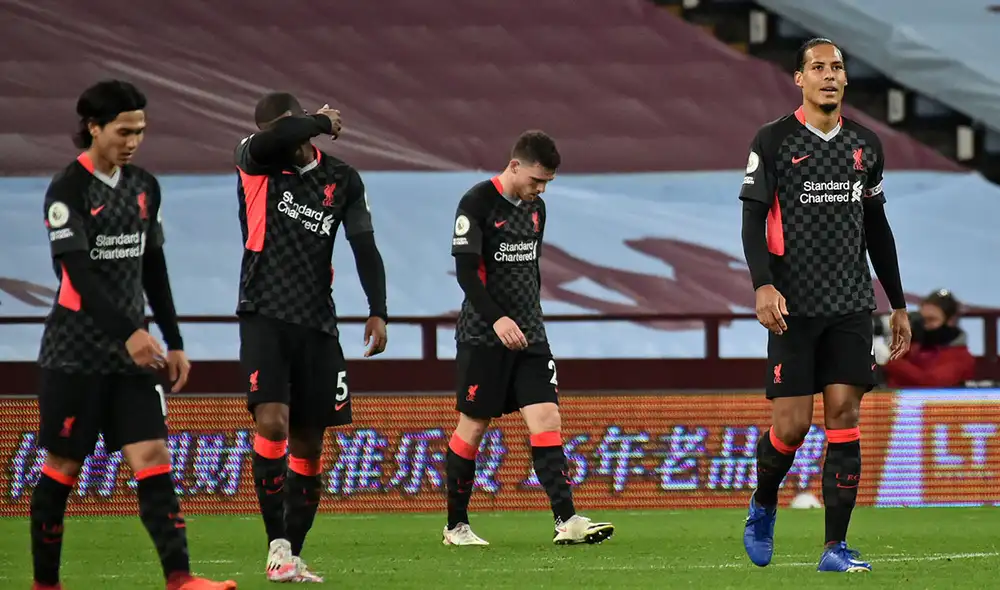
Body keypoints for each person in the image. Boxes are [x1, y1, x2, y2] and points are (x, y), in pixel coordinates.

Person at [32, 80, 235, 590]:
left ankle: (180, 578)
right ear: (94, 128)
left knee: (153, 458)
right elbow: (76, 272)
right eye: (124, 131)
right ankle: (45, 584)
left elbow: (154, 267)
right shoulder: (67, 190)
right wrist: (129, 331)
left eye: (140, 131)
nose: (134, 141)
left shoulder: (145, 185)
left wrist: (174, 338)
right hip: (75, 355)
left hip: (133, 359)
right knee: (62, 466)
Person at [738, 38, 912, 573]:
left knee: (844, 415)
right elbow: (751, 220)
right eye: (818, 68)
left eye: (837, 67)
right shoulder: (773, 141)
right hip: (794, 307)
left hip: (851, 305)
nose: (830, 76)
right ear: (799, 79)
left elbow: (877, 228)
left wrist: (898, 303)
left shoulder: (865, 144)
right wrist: (763, 286)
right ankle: (764, 502)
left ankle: (834, 547)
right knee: (791, 426)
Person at [234, 92, 388, 583]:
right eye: (288, 129)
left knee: (309, 445)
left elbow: (363, 243)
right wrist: (318, 121)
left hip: (318, 322)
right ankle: (276, 544)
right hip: (264, 314)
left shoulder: (342, 179)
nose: (290, 139)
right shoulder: (254, 161)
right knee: (273, 425)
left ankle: (290, 554)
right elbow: (276, 136)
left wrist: (378, 311)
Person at [444, 130, 615, 547]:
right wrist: (498, 319)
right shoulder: (476, 202)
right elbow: (468, 273)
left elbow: (528, 271)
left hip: (530, 335)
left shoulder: (536, 209)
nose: (540, 190)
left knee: (547, 419)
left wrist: (523, 319)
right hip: (484, 335)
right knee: (474, 424)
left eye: (547, 184)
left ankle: (566, 519)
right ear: (515, 165)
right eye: (536, 180)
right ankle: (456, 526)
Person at [882, 289, 975, 387]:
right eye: (922, 320)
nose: (925, 325)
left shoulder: (960, 356)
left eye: (931, 320)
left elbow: (932, 382)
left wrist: (891, 361)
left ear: (950, 321)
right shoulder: (914, 347)